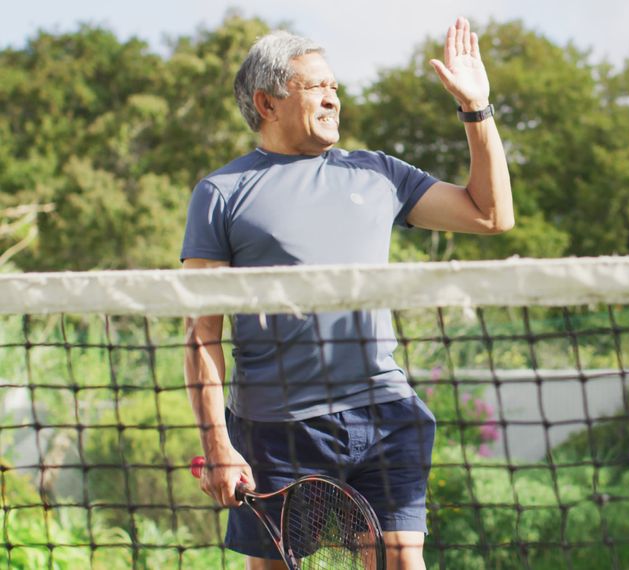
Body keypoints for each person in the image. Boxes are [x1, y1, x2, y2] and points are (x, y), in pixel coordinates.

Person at [181, 18, 511, 570]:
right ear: (268, 102)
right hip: (275, 431)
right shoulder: (221, 193)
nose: (334, 97)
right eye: (317, 87)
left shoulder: (378, 173)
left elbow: (491, 214)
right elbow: (202, 335)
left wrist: (477, 110)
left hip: (386, 413)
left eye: (335, 86)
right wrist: (218, 443)